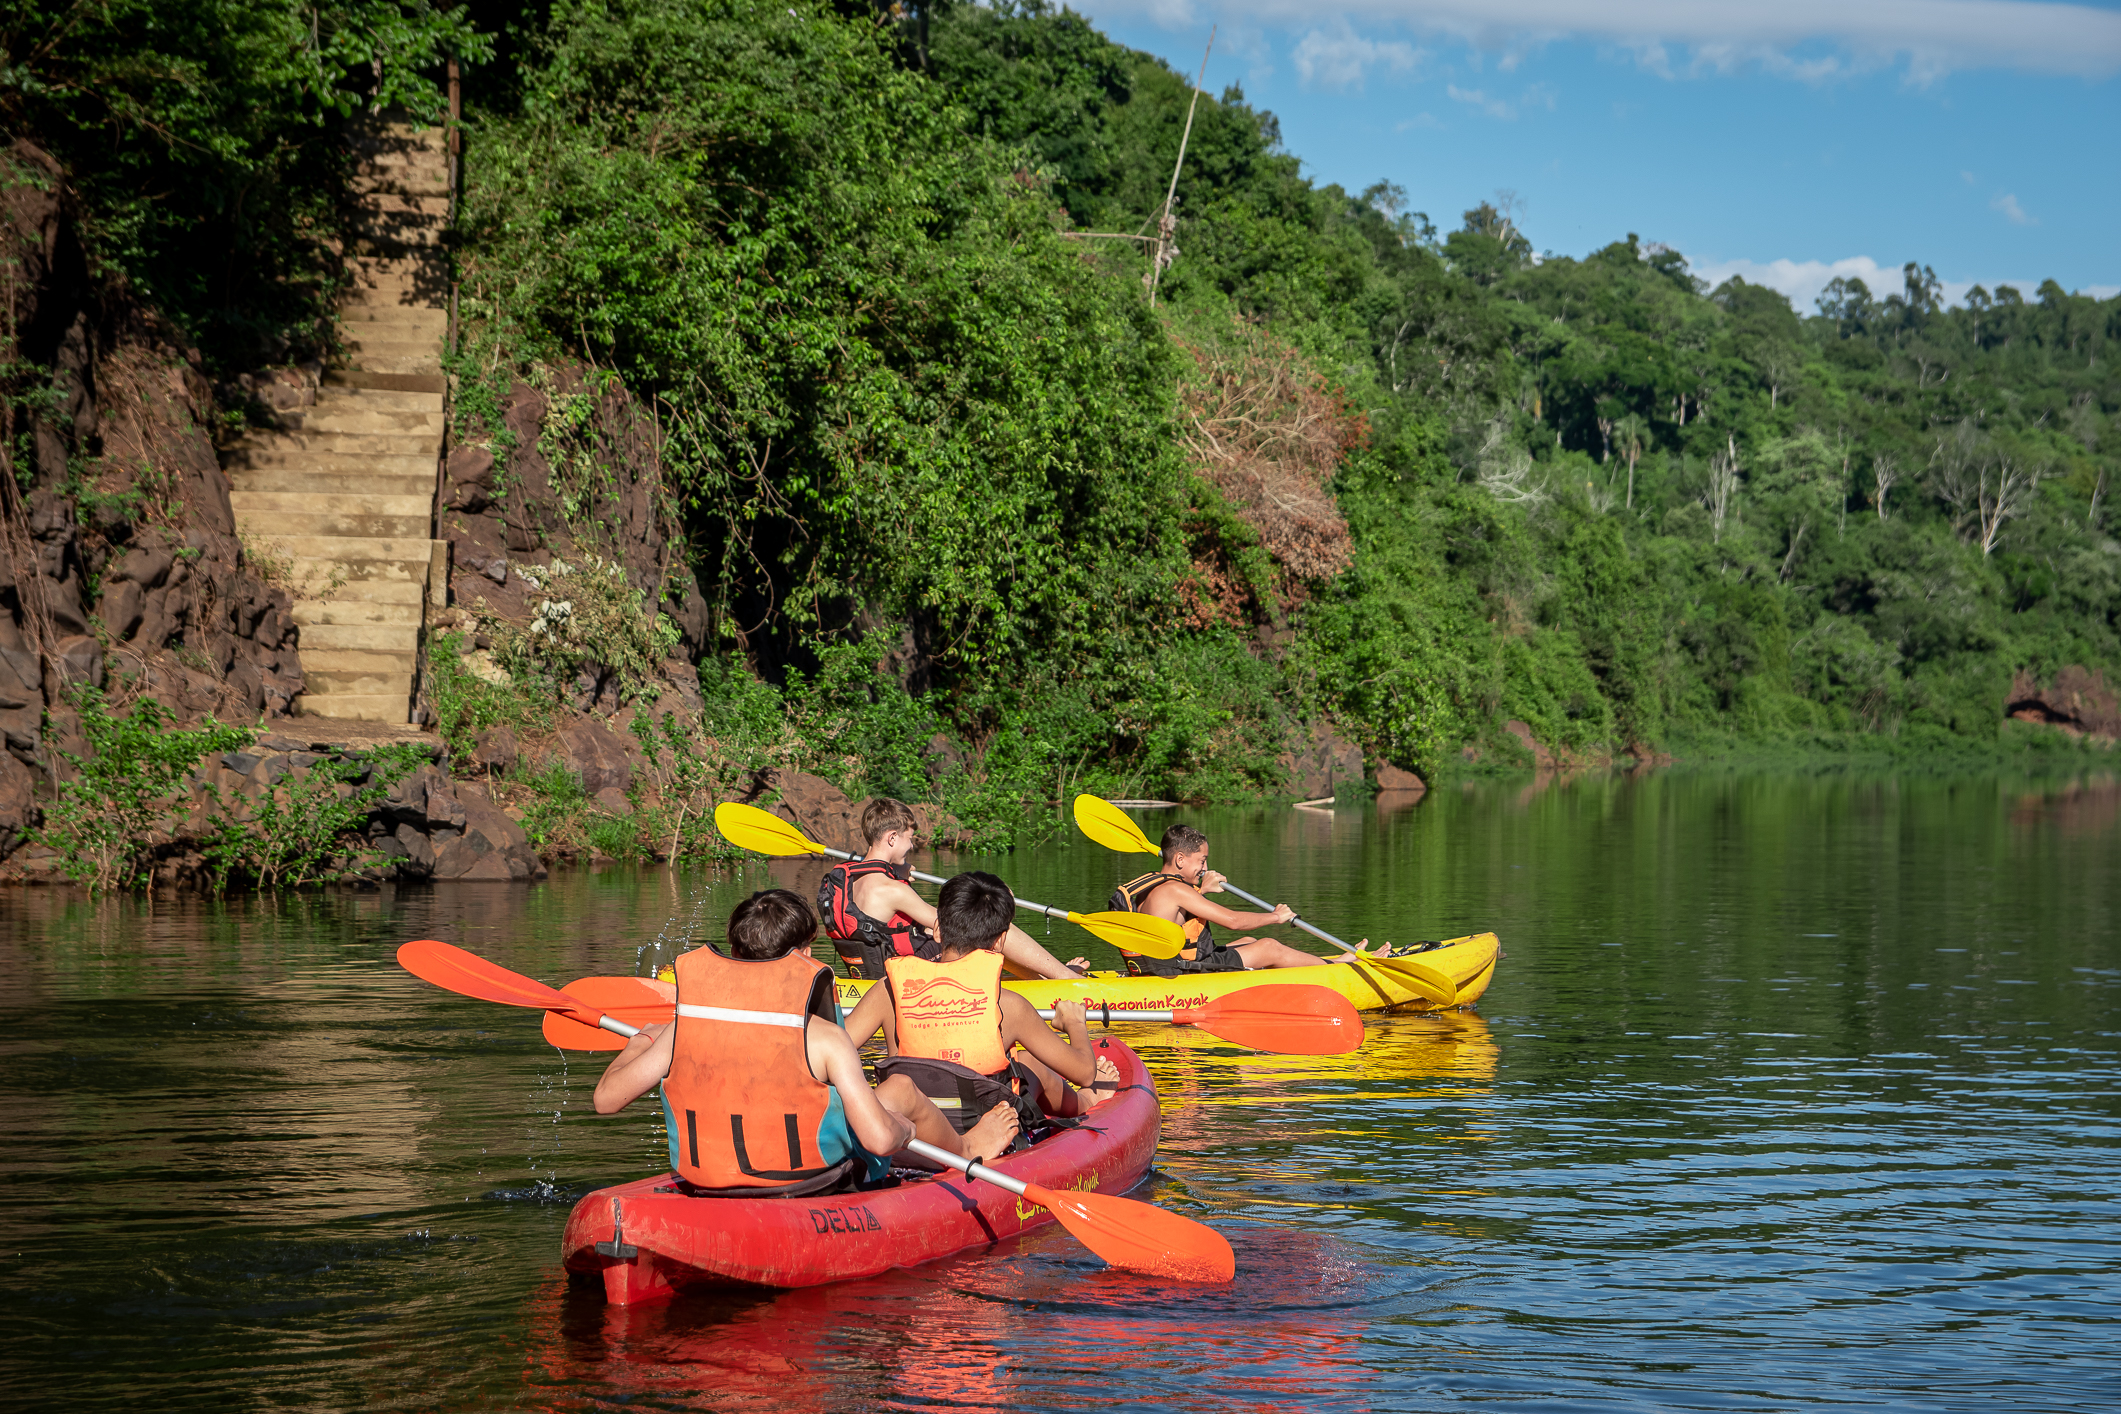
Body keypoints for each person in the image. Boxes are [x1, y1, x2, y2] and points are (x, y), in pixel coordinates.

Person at [592, 889, 913, 1197]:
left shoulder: (681, 1031)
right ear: (804, 957)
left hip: (707, 1183)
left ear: (733, 955)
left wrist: (641, 1040)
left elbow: (605, 1100)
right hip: (810, 1185)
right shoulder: (827, 1038)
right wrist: (904, 1129)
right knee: (900, 1101)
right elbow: (880, 1141)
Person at [842, 870, 1120, 1163]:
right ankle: (1088, 1101)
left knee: (1021, 1064)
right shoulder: (1008, 1005)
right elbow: (1084, 1072)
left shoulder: (886, 990)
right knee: (1029, 1064)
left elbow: (832, 1054)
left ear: (937, 929)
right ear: (1000, 942)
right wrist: (1075, 1023)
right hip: (983, 1129)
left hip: (910, 1129)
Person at [818, 798, 1087, 981]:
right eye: (909, 839)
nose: (911, 847)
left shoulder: (848, 879)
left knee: (976, 926)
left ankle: (1042, 981)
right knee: (986, 922)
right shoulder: (891, 889)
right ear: (891, 837)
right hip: (907, 975)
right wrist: (994, 900)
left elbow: (881, 927)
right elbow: (957, 924)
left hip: (876, 972)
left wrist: (896, 873)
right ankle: (1066, 978)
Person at [1109, 823, 1381, 977]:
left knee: (1249, 944)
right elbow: (1233, 921)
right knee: (1268, 946)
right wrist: (1276, 916)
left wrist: (1201, 890)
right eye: (1202, 860)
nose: (1205, 867)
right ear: (1180, 859)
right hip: (1179, 975)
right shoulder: (1176, 890)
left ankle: (1304, 968)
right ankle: (1337, 968)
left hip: (1160, 968)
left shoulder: (1152, 885)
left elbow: (1171, 919)